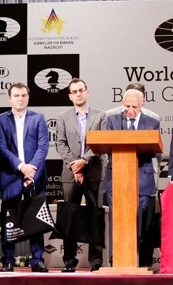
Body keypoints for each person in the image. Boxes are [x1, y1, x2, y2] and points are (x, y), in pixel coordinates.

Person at [0, 82, 50, 273]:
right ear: (9, 98)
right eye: (16, 95)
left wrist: (31, 171)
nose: (20, 99)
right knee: (9, 220)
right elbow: (1, 148)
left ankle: (37, 259)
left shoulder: (39, 118)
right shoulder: (1, 119)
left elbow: (43, 147)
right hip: (11, 176)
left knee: (36, 218)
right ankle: (8, 259)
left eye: (24, 95)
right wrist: (21, 167)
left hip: (35, 176)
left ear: (28, 96)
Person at [104, 89, 161, 268]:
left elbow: (155, 150)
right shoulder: (112, 120)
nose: (130, 110)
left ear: (142, 105)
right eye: (127, 106)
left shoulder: (152, 122)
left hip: (142, 178)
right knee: (117, 222)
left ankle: (143, 261)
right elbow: (106, 146)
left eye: (134, 106)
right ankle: (116, 261)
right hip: (117, 178)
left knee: (142, 221)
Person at [55, 78, 105, 273]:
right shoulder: (62, 117)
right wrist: (75, 166)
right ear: (70, 96)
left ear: (88, 92)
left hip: (93, 172)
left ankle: (96, 261)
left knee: (95, 215)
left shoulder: (101, 116)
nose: (78, 94)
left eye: (81, 90)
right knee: (70, 216)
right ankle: (69, 261)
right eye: (74, 92)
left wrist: (84, 161)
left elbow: (101, 143)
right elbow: (60, 144)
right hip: (70, 173)